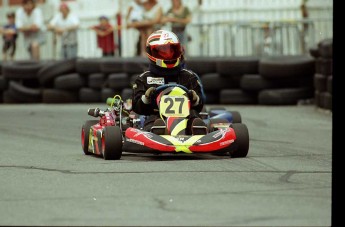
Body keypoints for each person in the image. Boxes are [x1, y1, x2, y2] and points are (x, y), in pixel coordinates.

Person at [131, 30, 207, 135]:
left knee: (194, 115)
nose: (168, 54)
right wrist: (146, 98)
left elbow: (199, 106)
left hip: (185, 117)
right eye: (163, 51)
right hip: (155, 115)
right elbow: (136, 107)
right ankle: (157, 132)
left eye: (172, 50)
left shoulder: (189, 77)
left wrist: (195, 99)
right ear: (151, 53)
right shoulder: (144, 78)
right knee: (154, 119)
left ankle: (197, 129)